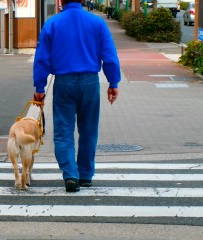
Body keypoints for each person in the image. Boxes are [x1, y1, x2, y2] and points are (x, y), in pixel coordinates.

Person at [33, 0, 121, 192]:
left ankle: (70, 174)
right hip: (90, 81)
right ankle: (86, 174)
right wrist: (113, 82)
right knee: (88, 130)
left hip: (63, 81)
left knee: (63, 130)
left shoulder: (52, 23)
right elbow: (110, 55)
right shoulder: (97, 23)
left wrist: (40, 86)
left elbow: (42, 57)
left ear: (61, 1)